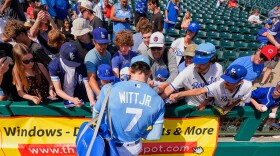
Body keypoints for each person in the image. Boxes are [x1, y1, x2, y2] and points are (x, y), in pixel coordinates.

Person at [92, 55, 165, 155]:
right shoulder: (158, 100)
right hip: (133, 147)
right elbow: (156, 135)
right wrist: (140, 134)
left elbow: (96, 113)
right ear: (149, 73)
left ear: (130, 70)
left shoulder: (109, 89)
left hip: (109, 145)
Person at [170, 65, 252, 115]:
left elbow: (242, 98)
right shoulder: (219, 85)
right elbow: (200, 91)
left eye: (230, 81)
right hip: (216, 106)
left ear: (240, 82)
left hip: (230, 107)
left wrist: (230, 107)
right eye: (226, 78)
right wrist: (178, 94)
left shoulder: (247, 86)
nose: (226, 82)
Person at [161, 42, 223, 107]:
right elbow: (170, 89)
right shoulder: (188, 71)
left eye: (202, 63)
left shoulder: (218, 69)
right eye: (196, 62)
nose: (198, 65)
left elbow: (215, 90)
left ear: (212, 61)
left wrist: (205, 102)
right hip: (193, 107)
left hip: (211, 107)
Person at [48, 42, 95, 108]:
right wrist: (72, 99)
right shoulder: (54, 66)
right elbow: (58, 90)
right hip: (61, 101)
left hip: (78, 97)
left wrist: (92, 101)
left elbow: (87, 86)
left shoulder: (81, 66)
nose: (71, 65)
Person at [84, 27, 111, 96]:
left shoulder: (108, 54)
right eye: (100, 44)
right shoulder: (91, 57)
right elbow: (91, 78)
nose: (103, 46)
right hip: (93, 89)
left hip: (105, 85)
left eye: (105, 43)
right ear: (93, 42)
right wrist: (100, 94)